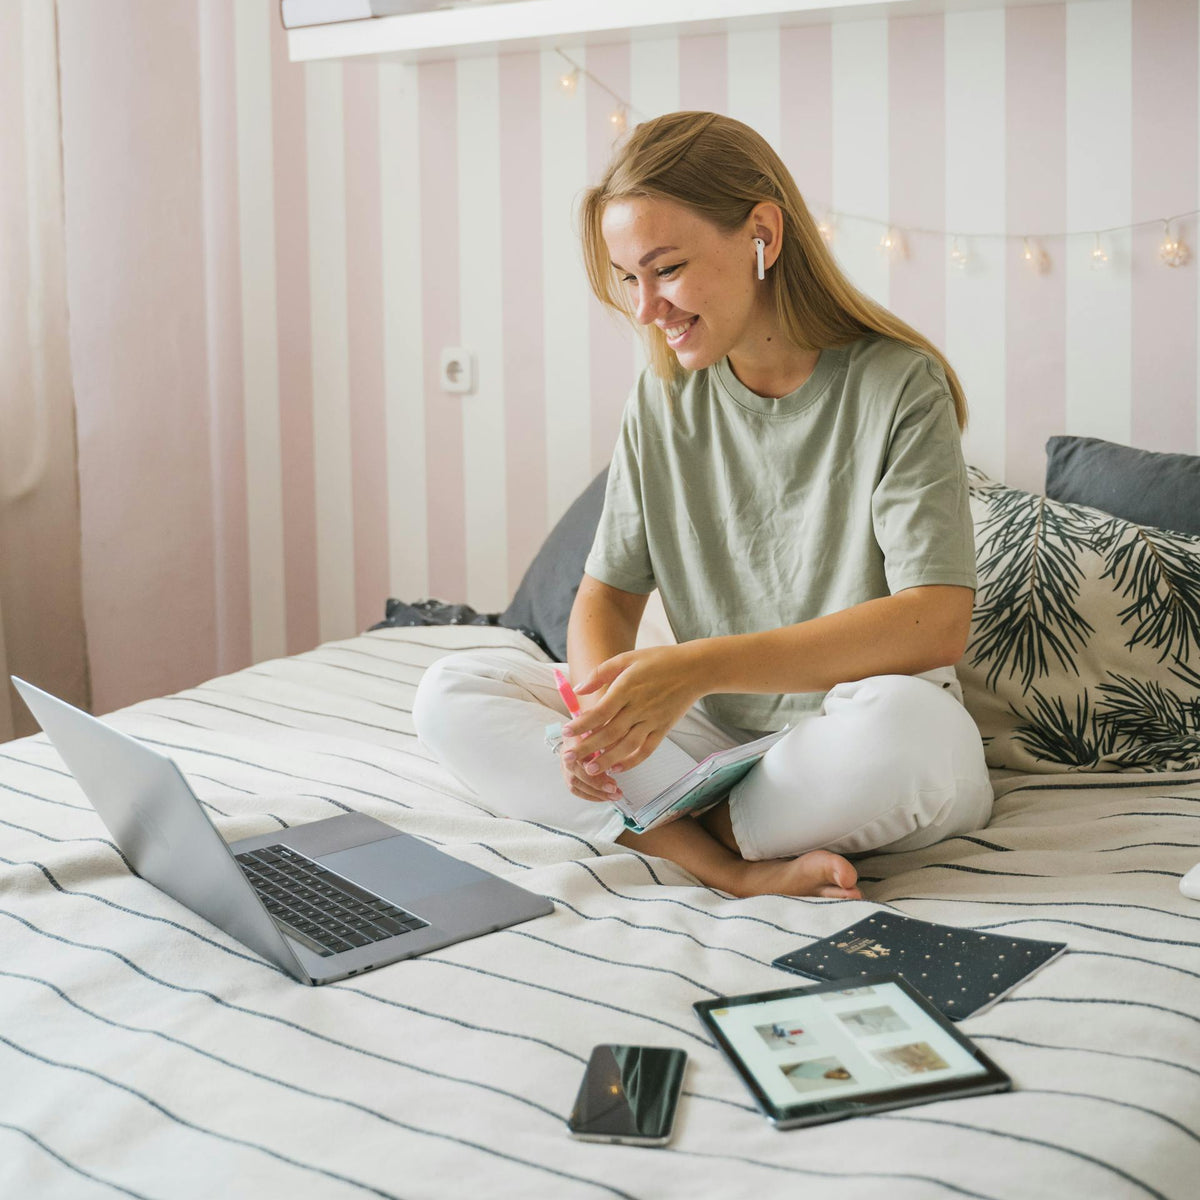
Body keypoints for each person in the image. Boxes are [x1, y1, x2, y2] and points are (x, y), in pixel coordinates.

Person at [413, 111, 993, 902]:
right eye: (628, 279)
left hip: (853, 735)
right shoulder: (661, 399)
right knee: (452, 692)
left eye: (668, 268)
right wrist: (600, 724)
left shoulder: (899, 385)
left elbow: (936, 620)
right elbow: (608, 599)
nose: (646, 307)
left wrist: (693, 668)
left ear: (762, 232)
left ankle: (687, 823)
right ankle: (723, 861)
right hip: (714, 744)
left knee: (906, 733)